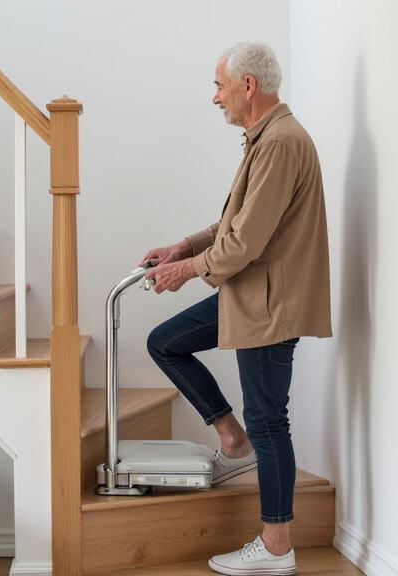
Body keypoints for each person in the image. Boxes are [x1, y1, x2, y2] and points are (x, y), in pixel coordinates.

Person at [141, 42, 331, 576]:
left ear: (248, 86)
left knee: (270, 420)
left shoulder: (280, 143)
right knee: (166, 342)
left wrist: (187, 270)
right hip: (250, 295)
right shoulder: (266, 138)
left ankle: (276, 546)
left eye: (219, 85)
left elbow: (244, 242)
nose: (214, 97)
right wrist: (184, 246)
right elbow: (234, 223)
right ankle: (231, 437)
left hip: (270, 304)